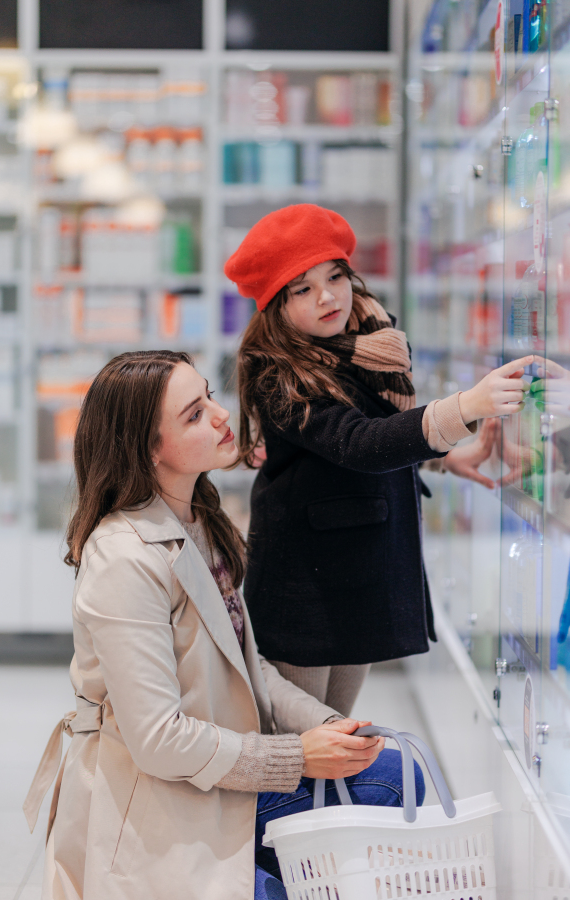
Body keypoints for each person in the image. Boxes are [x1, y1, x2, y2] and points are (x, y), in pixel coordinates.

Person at [23, 350, 425, 900]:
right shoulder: (123, 557)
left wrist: (331, 724)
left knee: (396, 775)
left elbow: (247, 661)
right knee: (384, 789)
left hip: (213, 773)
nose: (220, 415)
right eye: (193, 414)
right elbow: (159, 741)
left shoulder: (198, 522)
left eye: (210, 395)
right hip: (161, 792)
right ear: (149, 449)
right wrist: (298, 756)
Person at [227, 203, 533, 715]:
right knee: (302, 742)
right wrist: (468, 406)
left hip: (358, 575)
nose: (328, 296)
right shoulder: (276, 373)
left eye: (335, 275)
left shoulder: (368, 344)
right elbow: (358, 443)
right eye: (302, 288)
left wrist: (443, 460)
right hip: (306, 584)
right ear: (275, 305)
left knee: (336, 731)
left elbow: (378, 433)